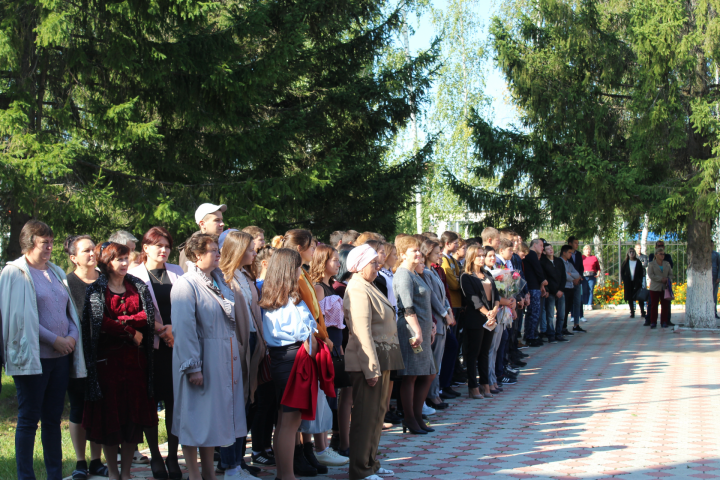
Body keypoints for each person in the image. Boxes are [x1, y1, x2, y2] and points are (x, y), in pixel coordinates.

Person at [0, 220, 86, 480]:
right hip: (33, 359)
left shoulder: (57, 271)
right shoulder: (14, 272)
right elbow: (18, 318)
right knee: (28, 420)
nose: (49, 246)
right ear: (29, 243)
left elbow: (68, 309)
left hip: (60, 359)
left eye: (51, 241)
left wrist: (71, 335)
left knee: (52, 420)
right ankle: (26, 477)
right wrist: (55, 340)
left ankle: (54, 476)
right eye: (44, 242)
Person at [171, 233, 247, 480]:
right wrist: (193, 366)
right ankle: (194, 474)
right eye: (212, 250)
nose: (218, 254)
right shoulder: (186, 284)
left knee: (210, 420)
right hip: (201, 358)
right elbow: (184, 328)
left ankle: (208, 472)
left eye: (217, 249)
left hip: (221, 359)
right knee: (194, 417)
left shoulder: (218, 280)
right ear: (196, 255)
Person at [82, 241, 157, 480]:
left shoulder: (137, 286)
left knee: (132, 421)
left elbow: (147, 316)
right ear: (107, 262)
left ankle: (126, 473)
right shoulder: (96, 290)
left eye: (127, 259)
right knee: (111, 422)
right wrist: (130, 331)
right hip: (107, 366)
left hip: (135, 365)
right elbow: (99, 323)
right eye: (119, 259)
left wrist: (125, 322)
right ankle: (113, 472)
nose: (125, 263)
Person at [127, 227, 185, 479]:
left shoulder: (178, 272)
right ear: (146, 248)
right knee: (150, 402)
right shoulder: (133, 275)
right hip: (148, 349)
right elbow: (131, 312)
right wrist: (161, 329)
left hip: (176, 346)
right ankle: (155, 457)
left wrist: (175, 329)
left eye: (167, 246)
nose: (163, 250)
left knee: (175, 402)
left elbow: (189, 305)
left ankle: (173, 456)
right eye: (158, 245)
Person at [260, 249, 321, 480]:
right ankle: (286, 475)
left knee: (288, 420)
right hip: (291, 359)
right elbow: (302, 332)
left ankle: (285, 473)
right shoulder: (285, 300)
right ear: (288, 270)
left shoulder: (276, 296)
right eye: (297, 267)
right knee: (288, 420)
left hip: (286, 358)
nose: (300, 271)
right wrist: (312, 331)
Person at [343, 244, 403, 480]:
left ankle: (371, 462)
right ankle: (360, 470)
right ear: (359, 266)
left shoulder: (367, 285)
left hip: (382, 357)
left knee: (377, 415)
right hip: (368, 362)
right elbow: (361, 331)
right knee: (365, 418)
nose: (377, 267)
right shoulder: (357, 288)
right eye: (373, 263)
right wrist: (370, 369)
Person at [281, 229, 332, 475]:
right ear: (300, 249)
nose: (314, 251)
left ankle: (307, 451)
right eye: (312, 247)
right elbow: (304, 314)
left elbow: (315, 310)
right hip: (301, 346)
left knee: (309, 409)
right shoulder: (292, 277)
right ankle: (295, 459)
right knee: (292, 415)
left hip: (315, 340)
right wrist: (320, 336)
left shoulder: (303, 273)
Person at [218, 230, 269, 480]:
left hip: (252, 343)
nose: (254, 252)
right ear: (237, 251)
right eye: (249, 249)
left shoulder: (245, 275)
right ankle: (230, 465)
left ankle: (237, 461)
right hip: (236, 347)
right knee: (235, 406)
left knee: (246, 405)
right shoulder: (225, 278)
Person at [64, 235, 108, 480]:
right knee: (79, 408)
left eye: (94, 249)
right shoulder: (66, 283)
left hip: (104, 355)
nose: (92, 254)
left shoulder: (105, 280)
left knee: (99, 406)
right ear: (73, 258)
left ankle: (96, 460)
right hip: (78, 356)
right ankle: (80, 462)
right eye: (85, 251)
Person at [309, 244, 350, 466]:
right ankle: (320, 446)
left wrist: (340, 346)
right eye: (334, 259)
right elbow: (315, 320)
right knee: (325, 395)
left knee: (333, 394)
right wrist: (326, 340)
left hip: (336, 344)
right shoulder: (318, 288)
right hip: (325, 344)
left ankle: (329, 444)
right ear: (322, 262)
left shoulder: (330, 286)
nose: (338, 263)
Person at [394, 235, 438, 434]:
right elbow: (407, 306)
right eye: (414, 251)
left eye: (419, 250)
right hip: (411, 329)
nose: (419, 254)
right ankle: (410, 419)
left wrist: (431, 325)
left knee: (428, 373)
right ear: (402, 254)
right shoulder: (403, 274)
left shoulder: (415, 273)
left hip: (422, 328)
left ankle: (418, 416)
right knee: (411, 375)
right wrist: (418, 331)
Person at [459, 245, 498, 399]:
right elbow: (472, 298)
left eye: (483, 255)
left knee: (485, 353)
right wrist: (487, 313)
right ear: (471, 258)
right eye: (479, 256)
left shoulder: (487, 274)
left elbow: (496, 294)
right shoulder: (466, 276)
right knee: (473, 353)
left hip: (490, 318)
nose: (482, 258)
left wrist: (494, 310)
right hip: (475, 319)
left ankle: (485, 384)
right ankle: (472, 386)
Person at [419, 240, 454, 409]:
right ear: (427, 253)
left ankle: (435, 392)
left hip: (442, 320)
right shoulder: (425, 272)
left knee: (438, 360)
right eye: (437, 253)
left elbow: (443, 295)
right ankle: (431, 395)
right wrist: (444, 313)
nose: (440, 255)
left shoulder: (432, 270)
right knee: (433, 361)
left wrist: (448, 309)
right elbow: (432, 297)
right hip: (436, 320)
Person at [178, 203, 227, 272]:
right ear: (202, 224)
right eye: (217, 220)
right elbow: (185, 276)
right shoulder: (192, 247)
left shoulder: (219, 244)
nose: (222, 224)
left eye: (221, 220)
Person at [522, 239, 548, 346]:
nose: (542, 248)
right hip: (533, 287)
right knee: (534, 313)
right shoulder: (531, 254)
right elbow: (538, 270)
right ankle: (530, 336)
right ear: (535, 244)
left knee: (533, 313)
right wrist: (543, 281)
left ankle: (532, 334)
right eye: (541, 245)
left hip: (534, 286)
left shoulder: (531, 255)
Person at [540, 244, 566, 344]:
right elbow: (546, 278)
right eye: (547, 249)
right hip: (551, 292)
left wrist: (561, 290)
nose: (550, 250)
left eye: (551, 248)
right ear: (544, 252)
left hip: (560, 291)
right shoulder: (543, 263)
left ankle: (559, 333)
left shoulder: (559, 261)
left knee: (561, 314)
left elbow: (563, 276)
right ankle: (551, 335)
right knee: (550, 315)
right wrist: (553, 291)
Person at [647, 247, 673, 329]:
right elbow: (651, 275)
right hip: (655, 287)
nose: (662, 256)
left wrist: (668, 280)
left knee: (665, 305)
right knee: (654, 305)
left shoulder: (667, 264)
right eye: (660, 254)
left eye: (663, 254)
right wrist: (661, 279)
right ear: (656, 255)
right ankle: (653, 322)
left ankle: (664, 321)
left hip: (665, 287)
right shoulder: (651, 264)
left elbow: (671, 274)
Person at [567, 237, 587, 329]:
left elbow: (581, 268)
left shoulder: (578, 254)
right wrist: (572, 279)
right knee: (568, 302)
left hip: (578, 281)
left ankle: (576, 324)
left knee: (578, 302)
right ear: (570, 243)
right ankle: (563, 326)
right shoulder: (565, 253)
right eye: (575, 243)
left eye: (577, 243)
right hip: (569, 282)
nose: (577, 245)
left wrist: (579, 278)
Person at [621, 247, 646, 319]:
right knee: (630, 297)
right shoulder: (625, 262)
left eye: (633, 252)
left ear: (635, 253)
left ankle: (642, 312)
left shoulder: (638, 262)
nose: (631, 253)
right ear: (628, 254)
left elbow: (641, 272)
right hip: (628, 282)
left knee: (639, 297)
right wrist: (625, 279)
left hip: (637, 282)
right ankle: (632, 312)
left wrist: (640, 280)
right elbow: (622, 272)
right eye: (630, 252)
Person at [712, 241, 720, 319]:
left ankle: (714, 312)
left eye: (712, 245)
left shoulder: (716, 254)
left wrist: (718, 277)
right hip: (705, 278)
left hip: (714, 278)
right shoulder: (704, 255)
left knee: (714, 296)